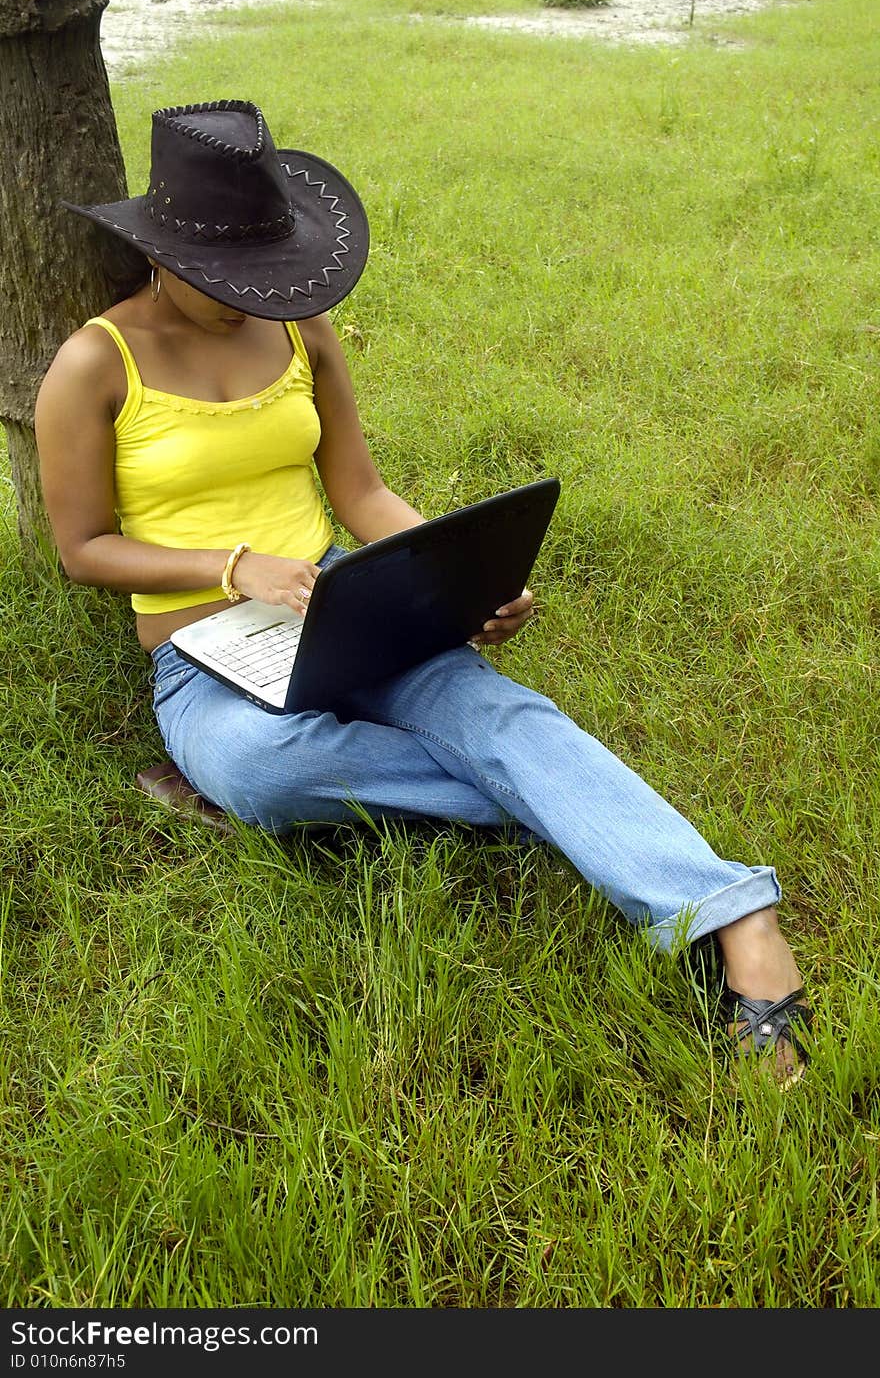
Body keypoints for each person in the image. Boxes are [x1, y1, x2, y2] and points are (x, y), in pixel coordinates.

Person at [34, 99, 812, 1086]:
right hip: (206, 660)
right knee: (265, 772)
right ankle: (558, 796)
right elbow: (84, 546)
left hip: (347, 609)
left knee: (486, 705)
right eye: (222, 278)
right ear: (159, 248)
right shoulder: (96, 363)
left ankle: (738, 916)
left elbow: (358, 490)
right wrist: (231, 567)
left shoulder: (298, 326)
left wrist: (453, 575)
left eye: (259, 274)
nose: (245, 298)